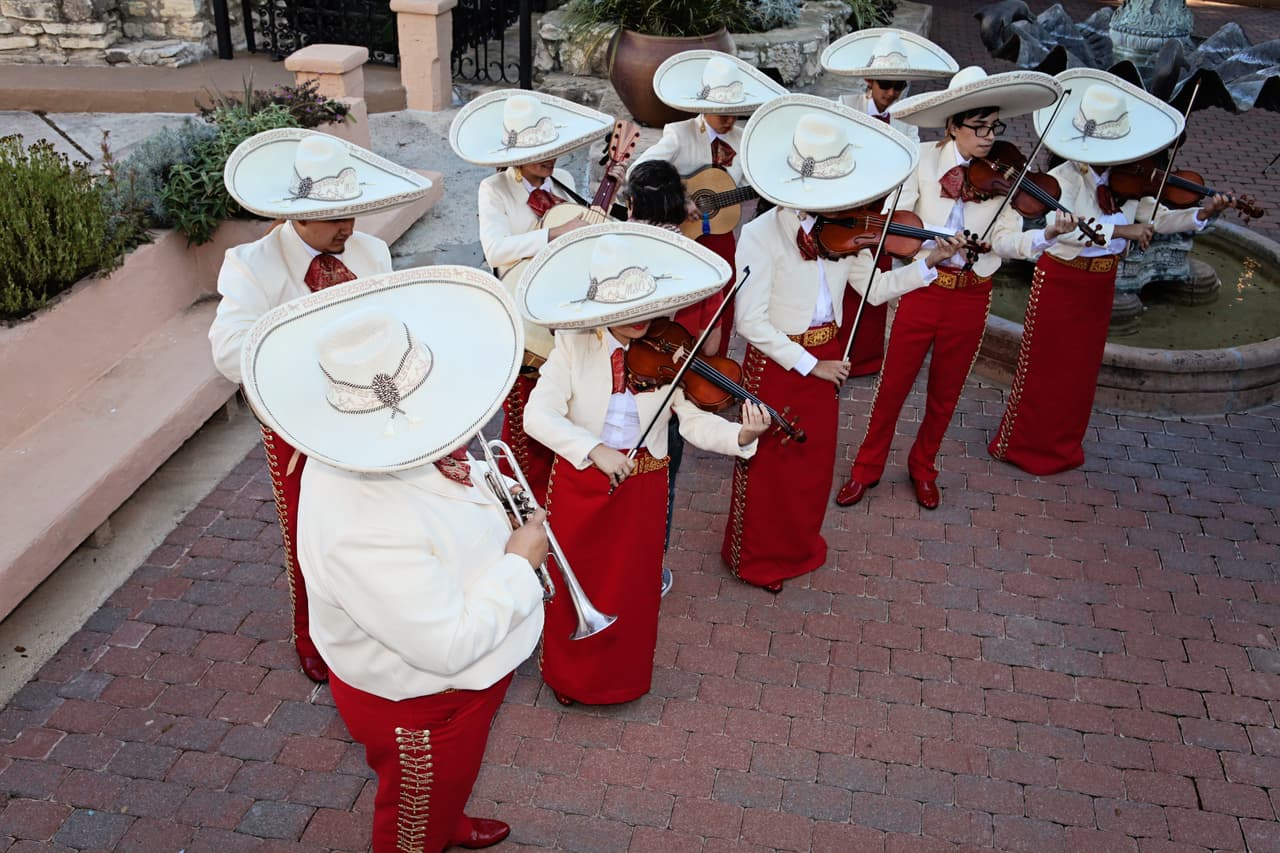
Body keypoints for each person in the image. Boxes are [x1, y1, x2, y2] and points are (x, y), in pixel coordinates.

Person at [240, 265, 547, 853]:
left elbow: (441, 498)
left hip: (456, 686)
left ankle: (448, 814)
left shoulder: (391, 451)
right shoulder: (359, 524)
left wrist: (491, 490)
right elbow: (446, 645)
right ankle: (436, 822)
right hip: (426, 701)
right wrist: (520, 562)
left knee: (445, 786)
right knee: (410, 823)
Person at [209, 129, 433, 683]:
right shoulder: (250, 265)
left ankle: (383, 624)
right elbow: (228, 353)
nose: (348, 228)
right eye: (334, 217)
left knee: (383, 521)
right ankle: (314, 634)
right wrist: (317, 353)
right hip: (300, 425)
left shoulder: (371, 251)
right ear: (296, 214)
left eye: (353, 212)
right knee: (312, 532)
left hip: (375, 413)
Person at [521, 224, 769, 706]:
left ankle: (621, 679)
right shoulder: (573, 345)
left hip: (643, 486)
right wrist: (592, 449)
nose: (643, 320)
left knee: (632, 588)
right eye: (626, 311)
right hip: (582, 482)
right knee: (579, 578)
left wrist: (741, 435)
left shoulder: (669, 348)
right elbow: (537, 415)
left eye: (649, 307)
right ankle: (572, 678)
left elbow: (694, 421)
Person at [722, 98, 948, 592]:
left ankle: (798, 545)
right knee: (770, 464)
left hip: (827, 359)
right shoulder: (760, 234)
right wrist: (811, 365)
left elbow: (873, 290)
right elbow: (748, 322)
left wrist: (928, 267)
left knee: (812, 463)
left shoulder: (846, 229)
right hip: (783, 361)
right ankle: (756, 559)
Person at [835, 66, 1079, 510]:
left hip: (971, 294)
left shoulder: (1004, 174)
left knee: (946, 393)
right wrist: (926, 243)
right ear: (953, 126)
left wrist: (1047, 235)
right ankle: (865, 468)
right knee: (893, 386)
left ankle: (923, 466)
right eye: (979, 127)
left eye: (994, 127)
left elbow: (1007, 239)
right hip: (923, 288)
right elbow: (896, 220)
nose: (988, 137)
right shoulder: (920, 157)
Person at [989, 69, 1233, 475]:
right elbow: (1070, 235)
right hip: (1063, 282)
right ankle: (1021, 446)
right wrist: (1121, 229)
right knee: (1046, 369)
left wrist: (1201, 214)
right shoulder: (1061, 179)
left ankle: (1063, 447)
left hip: (1100, 284)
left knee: (1080, 373)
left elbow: (1157, 217)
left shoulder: (1127, 182)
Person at [450, 90, 616, 505]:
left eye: (553, 149)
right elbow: (496, 250)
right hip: (522, 313)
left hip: (562, 304)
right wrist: (554, 234)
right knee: (524, 411)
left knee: (567, 401)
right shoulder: (494, 190)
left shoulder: (566, 182)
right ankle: (521, 499)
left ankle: (562, 491)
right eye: (539, 152)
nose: (550, 159)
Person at [630, 50, 789, 357]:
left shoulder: (744, 139)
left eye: (735, 112)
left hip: (721, 236)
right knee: (687, 304)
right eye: (722, 113)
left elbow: (753, 182)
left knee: (725, 298)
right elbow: (641, 173)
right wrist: (681, 198)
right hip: (685, 236)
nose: (729, 120)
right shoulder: (679, 134)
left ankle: (716, 365)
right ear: (704, 108)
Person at [820, 28, 958, 376]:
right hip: (844, 205)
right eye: (886, 85)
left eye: (900, 86)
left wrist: (888, 217)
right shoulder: (843, 108)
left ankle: (864, 359)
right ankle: (831, 352)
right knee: (838, 280)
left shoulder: (906, 119)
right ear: (869, 80)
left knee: (875, 279)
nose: (893, 93)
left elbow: (908, 171)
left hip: (881, 210)